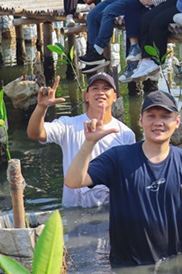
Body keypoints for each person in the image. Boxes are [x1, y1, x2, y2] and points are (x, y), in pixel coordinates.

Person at [64, 90, 182, 266]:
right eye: (151, 116)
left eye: (165, 117)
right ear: (141, 121)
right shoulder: (118, 158)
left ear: (177, 122)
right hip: (127, 266)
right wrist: (89, 142)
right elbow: (73, 181)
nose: (158, 123)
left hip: (174, 264)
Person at [27, 72, 134, 207]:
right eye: (95, 88)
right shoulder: (68, 125)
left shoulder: (125, 133)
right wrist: (41, 107)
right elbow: (35, 133)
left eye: (106, 88)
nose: (100, 92)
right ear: (86, 96)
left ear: (115, 97)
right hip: (74, 208)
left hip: (109, 208)